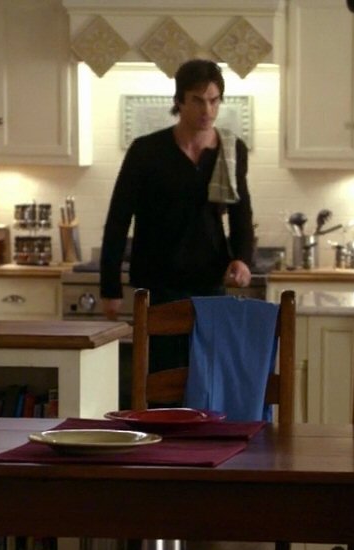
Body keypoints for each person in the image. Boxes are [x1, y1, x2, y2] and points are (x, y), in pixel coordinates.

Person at [99, 58, 255, 371]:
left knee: (207, 374)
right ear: (179, 101)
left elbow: (241, 212)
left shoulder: (230, 149)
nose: (207, 110)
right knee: (159, 375)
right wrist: (110, 287)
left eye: (214, 101)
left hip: (209, 279)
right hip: (157, 282)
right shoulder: (146, 151)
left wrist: (242, 258)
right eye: (197, 100)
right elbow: (118, 218)